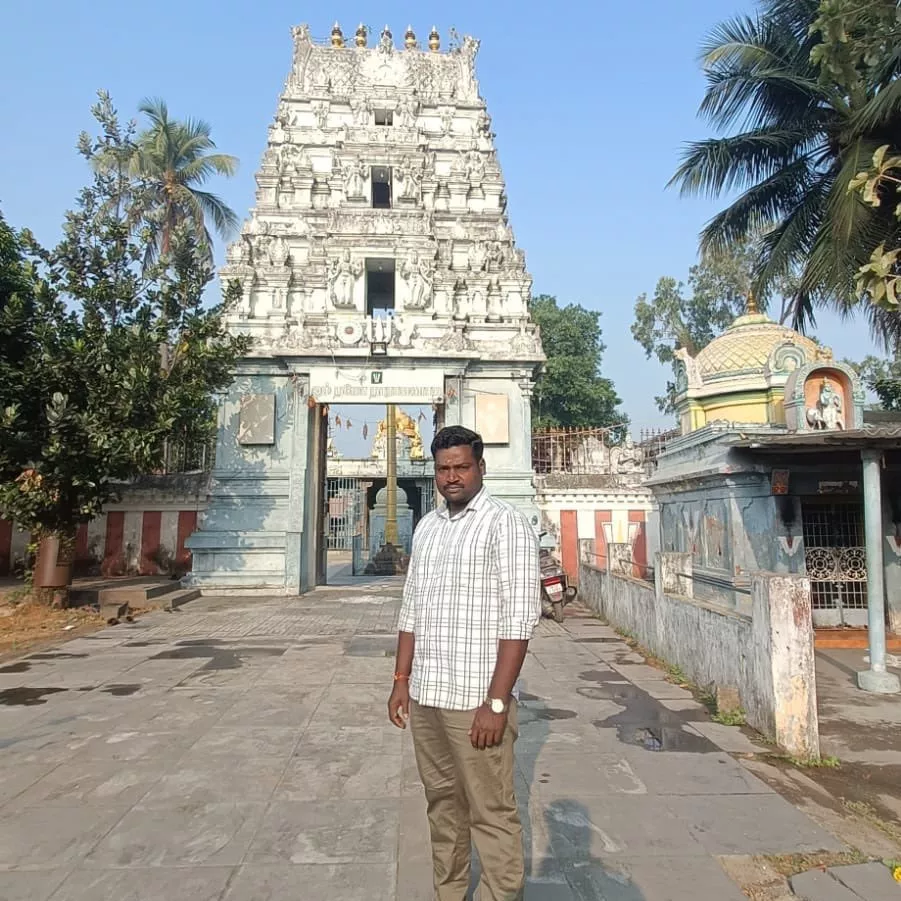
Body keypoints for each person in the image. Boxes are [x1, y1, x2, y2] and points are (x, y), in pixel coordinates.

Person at [388, 425, 541, 901]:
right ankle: (449, 892)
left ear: (480, 468)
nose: (452, 476)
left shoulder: (505, 523)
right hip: (428, 698)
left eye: (461, 466)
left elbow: (519, 620)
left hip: (475, 700)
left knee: (490, 812)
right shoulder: (427, 527)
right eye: (443, 468)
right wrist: (400, 680)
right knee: (442, 807)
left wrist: (496, 703)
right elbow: (411, 609)